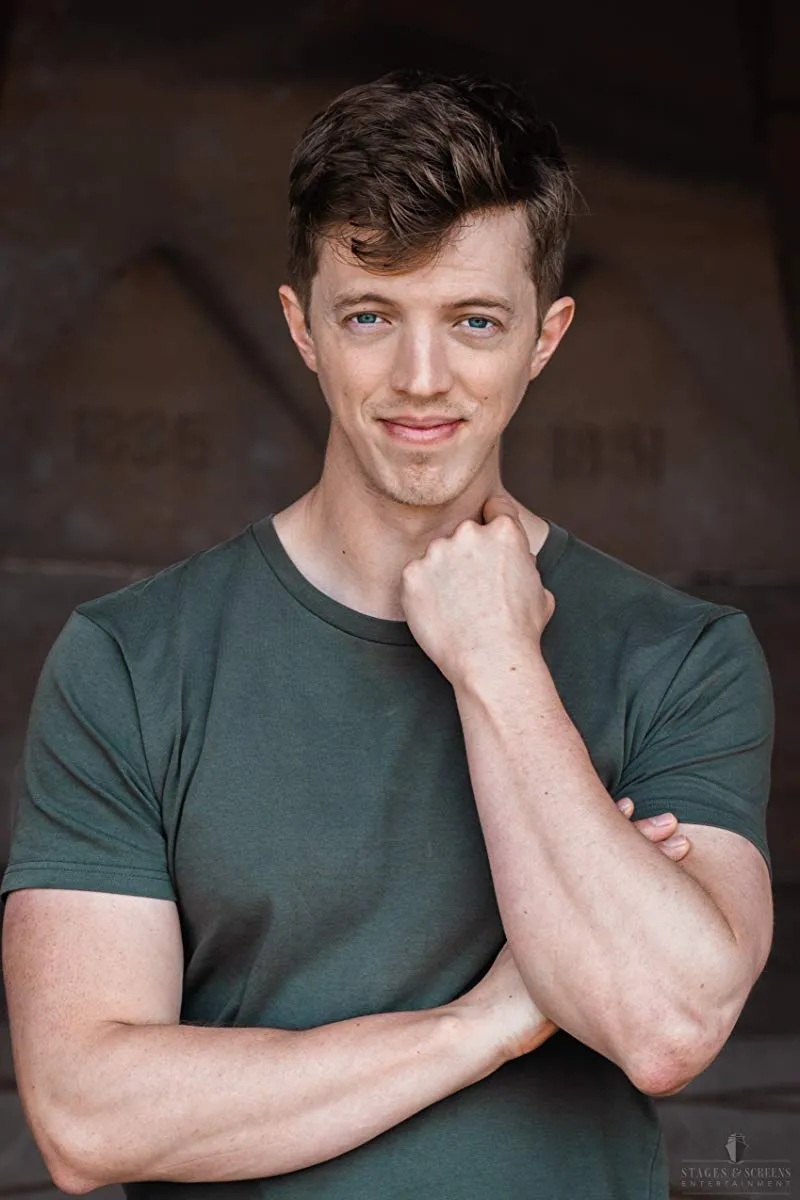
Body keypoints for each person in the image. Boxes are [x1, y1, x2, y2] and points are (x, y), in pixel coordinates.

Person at [1, 70, 773, 1200]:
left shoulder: (682, 656)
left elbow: (666, 1026)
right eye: (370, 315)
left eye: (474, 321)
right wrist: (486, 1023)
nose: (421, 380)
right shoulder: (128, 660)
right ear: (302, 327)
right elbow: (86, 1117)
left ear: (545, 337)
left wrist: (497, 663)